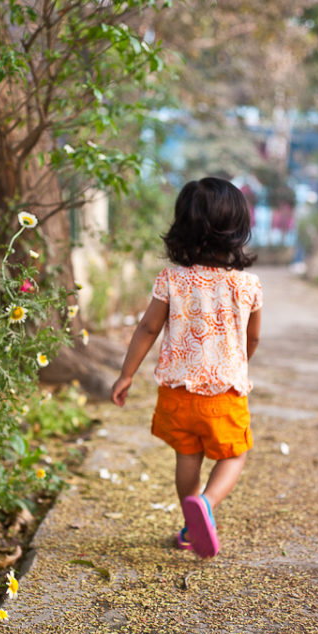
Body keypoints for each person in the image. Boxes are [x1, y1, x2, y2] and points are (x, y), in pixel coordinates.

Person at [111, 177, 262, 558]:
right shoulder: (248, 286)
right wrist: (237, 363)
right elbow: (253, 338)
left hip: (177, 394)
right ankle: (206, 507)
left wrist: (126, 373)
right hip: (224, 393)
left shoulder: (171, 279)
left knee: (186, 458)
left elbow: (148, 328)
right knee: (234, 454)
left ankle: (188, 524)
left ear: (182, 228)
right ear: (238, 231)